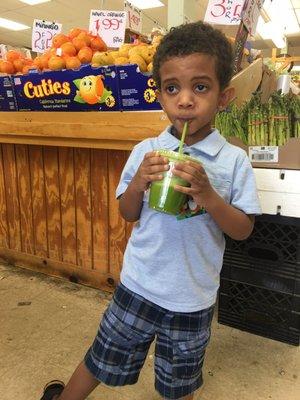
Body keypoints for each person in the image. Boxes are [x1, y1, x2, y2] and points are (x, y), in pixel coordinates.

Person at [40, 21, 261, 400]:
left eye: (201, 87)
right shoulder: (147, 151)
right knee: (101, 357)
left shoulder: (233, 161)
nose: (185, 100)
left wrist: (208, 195)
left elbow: (242, 229)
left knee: (180, 385)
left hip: (192, 300)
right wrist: (140, 182)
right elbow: (127, 212)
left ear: (224, 97)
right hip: (139, 285)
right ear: (159, 94)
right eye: (172, 88)